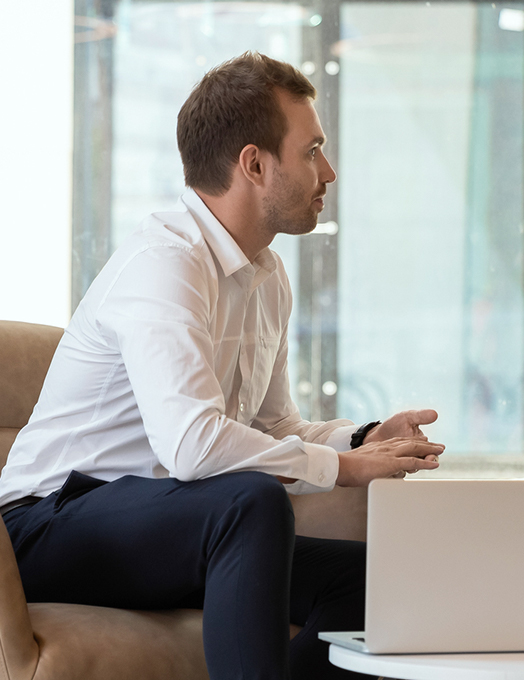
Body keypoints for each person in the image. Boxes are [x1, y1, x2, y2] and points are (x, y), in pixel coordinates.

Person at [0, 52, 444, 679]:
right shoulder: (166, 262)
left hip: (169, 524)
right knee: (250, 501)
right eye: (312, 149)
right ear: (255, 164)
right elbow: (192, 446)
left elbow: (275, 428)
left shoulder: (267, 277)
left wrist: (363, 441)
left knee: (374, 584)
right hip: (47, 525)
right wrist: (341, 468)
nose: (330, 171)